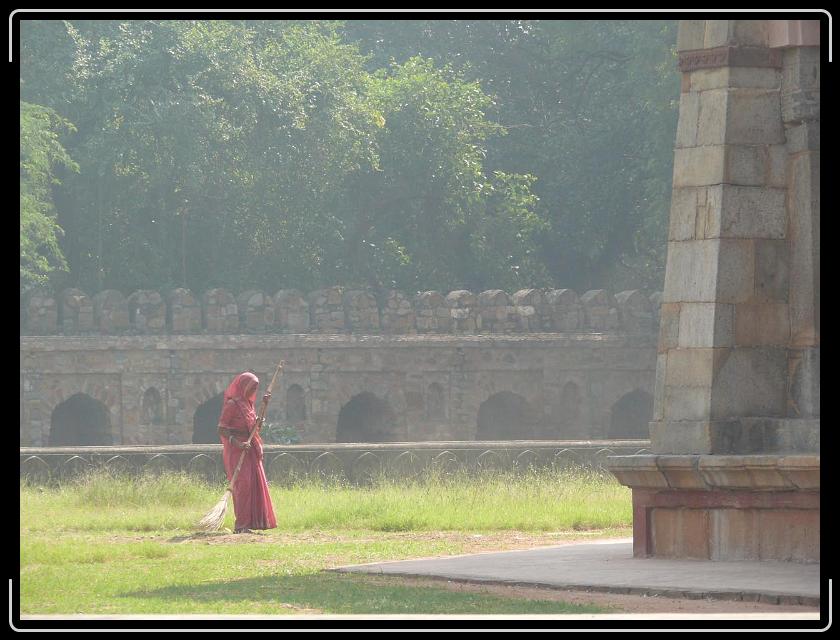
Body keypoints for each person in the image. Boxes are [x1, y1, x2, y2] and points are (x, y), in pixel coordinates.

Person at [217, 371, 277, 533]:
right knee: (243, 486)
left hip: (249, 450)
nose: (253, 392)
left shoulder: (248, 405)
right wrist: (238, 443)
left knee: (253, 485)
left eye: (255, 389)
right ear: (243, 386)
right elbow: (222, 428)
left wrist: (263, 409)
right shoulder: (232, 405)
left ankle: (253, 523)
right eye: (251, 388)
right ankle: (241, 525)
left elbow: (255, 429)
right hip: (237, 451)